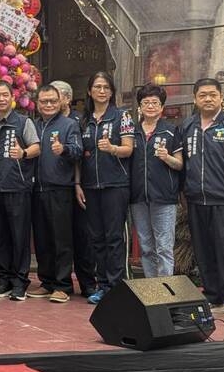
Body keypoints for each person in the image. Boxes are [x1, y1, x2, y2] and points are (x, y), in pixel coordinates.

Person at [181, 78, 224, 316]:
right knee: (203, 250)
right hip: (196, 198)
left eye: (212, 95)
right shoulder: (187, 126)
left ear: (221, 98)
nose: (208, 99)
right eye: (203, 95)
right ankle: (213, 295)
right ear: (195, 99)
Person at [78, 71, 135, 305]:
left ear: (111, 92)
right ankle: (102, 285)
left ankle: (116, 285)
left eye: (106, 88)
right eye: (97, 87)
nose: (102, 91)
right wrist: (77, 184)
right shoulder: (83, 120)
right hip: (91, 186)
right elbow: (80, 157)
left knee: (114, 237)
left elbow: (129, 149)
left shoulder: (122, 116)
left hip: (115, 185)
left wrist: (112, 148)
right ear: (90, 91)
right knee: (96, 238)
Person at [0, 81, 40, 302]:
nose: (1, 99)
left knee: (19, 237)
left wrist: (23, 153)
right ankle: (3, 278)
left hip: (18, 187)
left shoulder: (23, 122)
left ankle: (20, 281)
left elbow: (37, 147)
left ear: (12, 97)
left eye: (5, 95)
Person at [27, 85, 82, 304]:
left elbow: (79, 150)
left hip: (60, 189)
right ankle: (47, 281)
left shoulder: (69, 125)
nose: (48, 105)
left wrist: (65, 149)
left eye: (52, 101)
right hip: (36, 189)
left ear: (60, 102)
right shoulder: (34, 124)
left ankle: (63, 284)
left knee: (61, 239)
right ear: (37, 104)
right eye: (44, 102)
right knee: (42, 239)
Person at [130, 84, 182, 279]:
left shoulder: (171, 131)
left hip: (164, 197)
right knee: (146, 246)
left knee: (164, 246)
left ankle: (165, 290)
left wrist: (167, 157)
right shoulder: (132, 133)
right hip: (138, 197)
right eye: (146, 103)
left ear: (162, 108)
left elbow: (179, 164)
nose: (150, 106)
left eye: (155, 103)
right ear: (140, 107)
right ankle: (151, 290)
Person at [51, 79, 96, 297]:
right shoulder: (45, 122)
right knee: (61, 237)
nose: (51, 100)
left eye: (55, 95)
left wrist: (78, 182)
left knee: (82, 235)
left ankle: (88, 283)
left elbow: (80, 155)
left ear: (67, 98)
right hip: (59, 187)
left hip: (80, 185)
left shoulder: (80, 121)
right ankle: (60, 282)